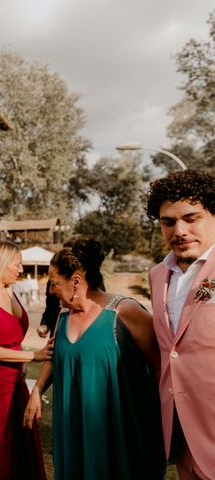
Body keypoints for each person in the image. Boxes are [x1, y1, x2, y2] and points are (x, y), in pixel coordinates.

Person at [24, 237, 165, 480]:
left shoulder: (125, 311)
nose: (49, 290)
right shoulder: (64, 316)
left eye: (54, 283)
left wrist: (158, 422)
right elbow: (53, 355)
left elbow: (160, 367)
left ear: (76, 281)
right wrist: (37, 391)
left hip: (115, 427)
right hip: (73, 425)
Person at [145, 170, 215, 479]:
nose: (180, 230)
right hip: (180, 426)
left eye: (192, 218)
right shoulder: (157, 276)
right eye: (169, 222)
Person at [0, 240, 51, 480]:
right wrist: (33, 356)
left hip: (15, 379)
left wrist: (23, 365)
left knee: (21, 443)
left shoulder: (10, 291)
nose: (21, 270)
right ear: (1, 264)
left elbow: (14, 338)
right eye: (17, 265)